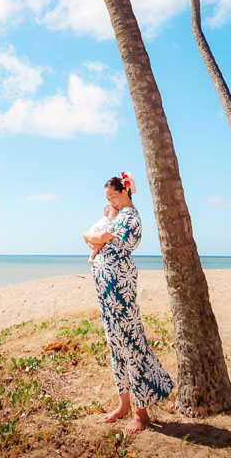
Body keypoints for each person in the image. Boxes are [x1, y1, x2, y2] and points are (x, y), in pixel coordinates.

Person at [83, 172, 174, 435]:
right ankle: (123, 404)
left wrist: (92, 235)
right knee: (115, 342)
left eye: (113, 196)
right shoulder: (117, 215)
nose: (111, 201)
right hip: (106, 288)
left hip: (120, 286)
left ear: (126, 191)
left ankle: (141, 413)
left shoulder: (130, 217)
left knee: (130, 343)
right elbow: (94, 239)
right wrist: (92, 236)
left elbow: (97, 239)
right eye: (108, 198)